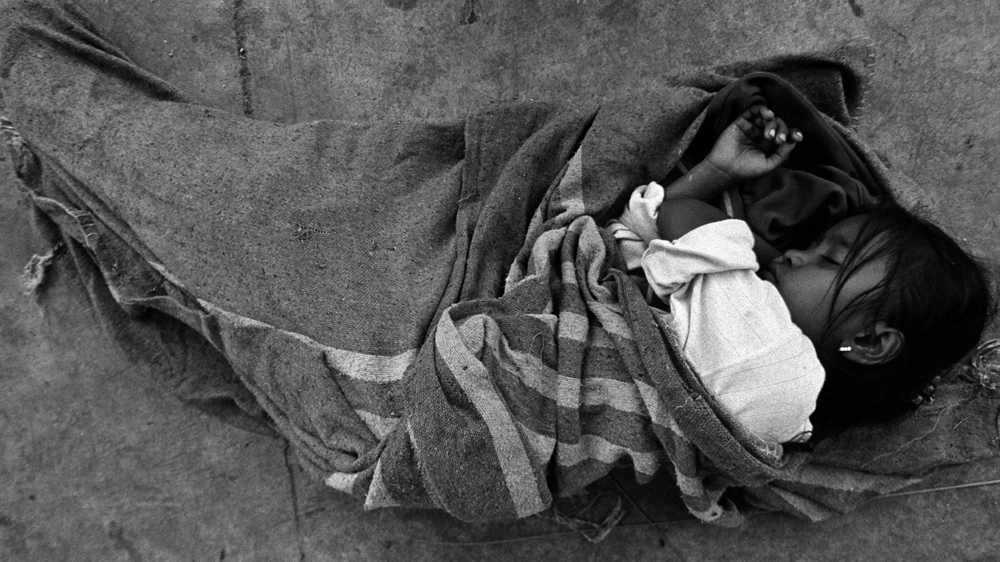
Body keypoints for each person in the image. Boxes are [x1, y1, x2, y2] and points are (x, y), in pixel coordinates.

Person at [608, 105, 995, 444]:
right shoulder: (798, 419)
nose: (793, 254)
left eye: (829, 259)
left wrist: (719, 173)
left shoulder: (762, 342)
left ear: (869, 341)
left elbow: (677, 216)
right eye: (812, 246)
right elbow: (645, 234)